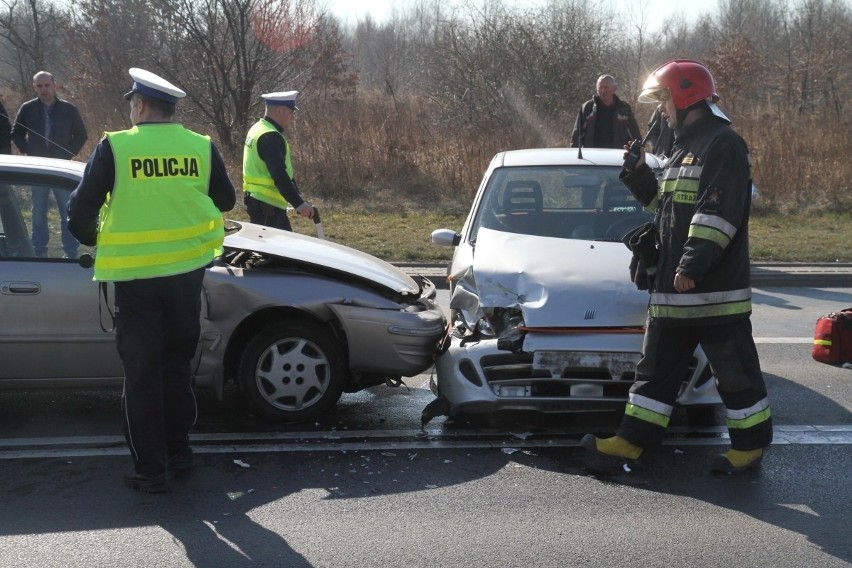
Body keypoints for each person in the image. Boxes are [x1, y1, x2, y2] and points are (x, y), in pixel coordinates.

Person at [581, 60, 772, 474]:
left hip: (709, 291)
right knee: (653, 376)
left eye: (665, 100)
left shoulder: (722, 145)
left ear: (686, 98)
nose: (661, 110)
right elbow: (668, 212)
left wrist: (691, 264)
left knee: (734, 373)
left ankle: (750, 447)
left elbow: (717, 213)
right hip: (673, 293)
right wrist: (636, 177)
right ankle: (632, 442)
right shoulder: (684, 148)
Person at [67, 68, 236, 493]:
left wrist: (94, 237)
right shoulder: (200, 146)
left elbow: (78, 214)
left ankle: (150, 470)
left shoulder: (116, 147)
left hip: (135, 281)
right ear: (170, 109)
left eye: (131, 104)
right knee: (176, 368)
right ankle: (180, 454)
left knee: (142, 375)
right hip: (184, 276)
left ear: (140, 105)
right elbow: (226, 200)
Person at [12, 71, 88, 258]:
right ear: (34, 87)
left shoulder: (69, 109)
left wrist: (68, 154)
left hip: (61, 168)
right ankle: (39, 252)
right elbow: (16, 133)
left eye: (47, 85)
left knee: (66, 212)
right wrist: (27, 150)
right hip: (37, 168)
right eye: (40, 86)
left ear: (55, 85)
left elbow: (81, 134)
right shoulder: (27, 108)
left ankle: (70, 252)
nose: (44, 89)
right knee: (38, 213)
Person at [242, 90, 313, 230]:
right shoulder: (270, 136)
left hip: (259, 203)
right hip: (268, 208)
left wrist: (297, 198)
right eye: (291, 112)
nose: (293, 116)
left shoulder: (257, 129)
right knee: (280, 251)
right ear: (279, 111)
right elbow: (279, 175)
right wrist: (298, 203)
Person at [570, 74, 641, 149]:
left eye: (606, 87)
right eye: (600, 87)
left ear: (614, 89)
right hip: (592, 155)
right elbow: (577, 135)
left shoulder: (624, 109)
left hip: (619, 155)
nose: (603, 90)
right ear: (597, 89)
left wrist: (638, 151)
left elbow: (634, 133)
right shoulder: (587, 108)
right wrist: (574, 154)